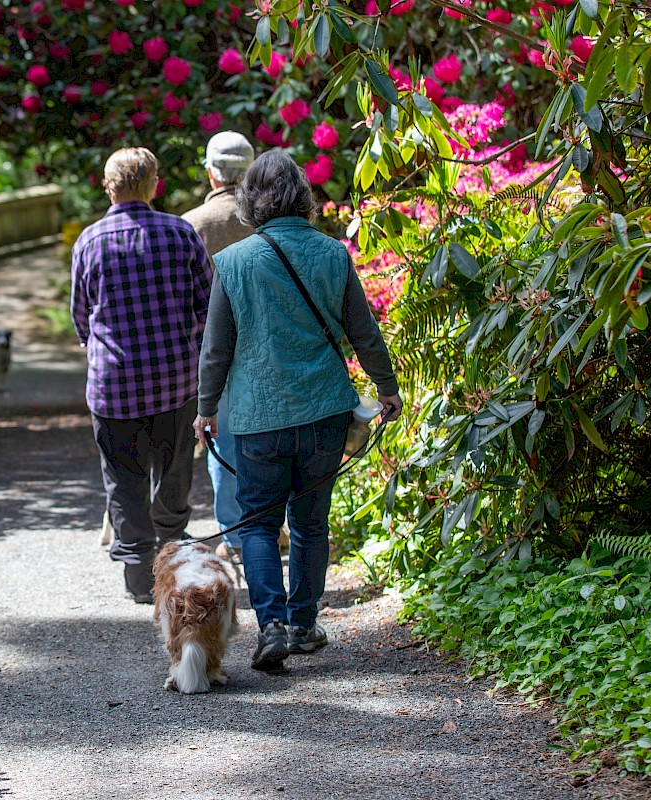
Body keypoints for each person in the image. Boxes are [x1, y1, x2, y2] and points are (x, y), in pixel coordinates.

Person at [193, 150, 403, 672]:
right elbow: (363, 332)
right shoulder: (332, 254)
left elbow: (216, 349)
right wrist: (387, 387)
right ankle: (304, 625)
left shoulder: (235, 262)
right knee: (310, 524)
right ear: (301, 196)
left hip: (257, 416)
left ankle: (272, 628)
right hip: (323, 412)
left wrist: (204, 409)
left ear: (250, 200)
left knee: (258, 523)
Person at [71, 147, 214, 604]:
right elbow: (207, 304)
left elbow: (80, 316)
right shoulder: (180, 232)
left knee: (123, 478)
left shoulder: (89, 241)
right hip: (175, 383)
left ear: (108, 187)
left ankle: (137, 576)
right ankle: (171, 558)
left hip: (113, 389)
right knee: (173, 473)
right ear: (153, 183)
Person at [181, 131, 257, 562]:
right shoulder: (263, 221)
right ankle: (268, 523)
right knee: (268, 440)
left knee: (222, 442)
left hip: (211, 355)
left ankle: (235, 534)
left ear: (210, 171)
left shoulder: (190, 225)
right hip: (267, 349)